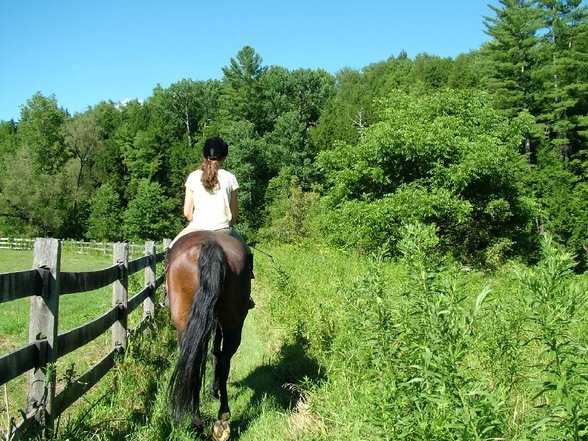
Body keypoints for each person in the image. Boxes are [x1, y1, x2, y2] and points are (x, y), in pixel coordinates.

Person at [168, 136, 255, 308]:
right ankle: (246, 296)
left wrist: (199, 222)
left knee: (172, 249)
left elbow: (187, 212)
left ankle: (167, 292)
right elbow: (234, 215)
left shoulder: (193, 177)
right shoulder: (230, 178)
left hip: (196, 227)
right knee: (245, 251)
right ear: (224, 157)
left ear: (204, 155)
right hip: (224, 229)